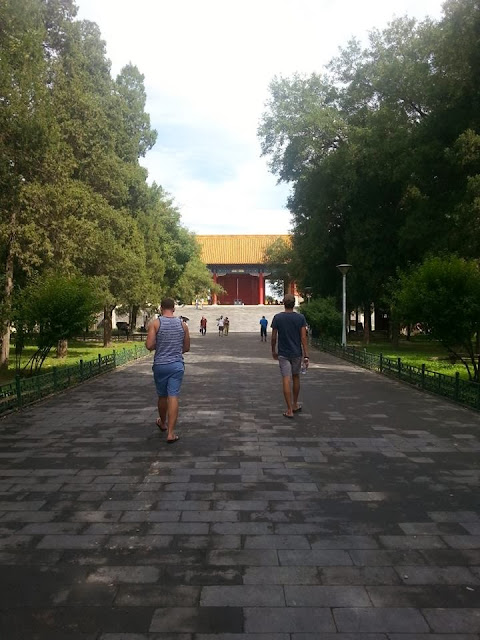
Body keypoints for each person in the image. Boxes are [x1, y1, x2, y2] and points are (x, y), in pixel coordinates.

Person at [146, 297, 190, 444]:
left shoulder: (155, 324)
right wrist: (175, 351)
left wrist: (160, 347)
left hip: (160, 364)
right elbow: (186, 347)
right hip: (176, 365)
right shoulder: (182, 325)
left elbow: (149, 345)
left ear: (160, 308)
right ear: (174, 308)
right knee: (173, 396)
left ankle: (163, 423)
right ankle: (171, 433)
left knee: (162, 396)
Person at [271, 294, 309, 418]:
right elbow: (303, 337)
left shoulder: (277, 318)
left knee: (286, 379)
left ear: (283, 303)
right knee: (296, 377)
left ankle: (289, 410)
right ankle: (295, 404)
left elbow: (273, 337)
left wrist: (273, 350)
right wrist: (306, 355)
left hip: (283, 353)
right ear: (293, 304)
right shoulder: (300, 318)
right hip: (296, 353)